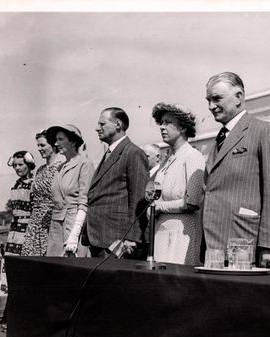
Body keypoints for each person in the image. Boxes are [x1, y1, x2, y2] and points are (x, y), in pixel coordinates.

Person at [204, 72, 270, 266]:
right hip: (213, 246)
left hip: (244, 242)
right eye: (208, 100)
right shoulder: (219, 139)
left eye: (216, 99)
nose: (210, 107)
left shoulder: (264, 131)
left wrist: (268, 246)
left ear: (239, 96)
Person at [85, 107, 150, 259]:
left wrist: (132, 237)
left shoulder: (132, 152)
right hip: (99, 238)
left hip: (117, 242)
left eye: (102, 124)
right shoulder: (110, 153)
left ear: (118, 125)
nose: (97, 128)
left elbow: (139, 199)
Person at [151, 102, 206, 265]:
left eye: (167, 122)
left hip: (181, 233)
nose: (162, 127)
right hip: (161, 232)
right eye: (161, 123)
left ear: (182, 127)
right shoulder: (166, 161)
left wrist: (159, 207)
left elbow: (193, 201)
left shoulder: (193, 156)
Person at [45, 125, 94, 257]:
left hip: (73, 225)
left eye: (60, 139)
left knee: (72, 270)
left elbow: (84, 202)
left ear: (73, 142)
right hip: (56, 226)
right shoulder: (59, 167)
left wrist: (74, 234)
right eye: (56, 140)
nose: (56, 143)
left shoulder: (85, 164)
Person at [21, 130, 64, 256]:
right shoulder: (40, 170)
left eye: (43, 145)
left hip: (52, 222)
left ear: (54, 144)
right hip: (35, 223)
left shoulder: (62, 167)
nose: (39, 149)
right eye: (38, 146)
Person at [5, 150, 35, 256]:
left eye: (21, 165)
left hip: (28, 229)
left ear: (29, 165)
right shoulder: (17, 184)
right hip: (14, 228)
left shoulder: (34, 184)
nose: (17, 168)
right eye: (15, 165)